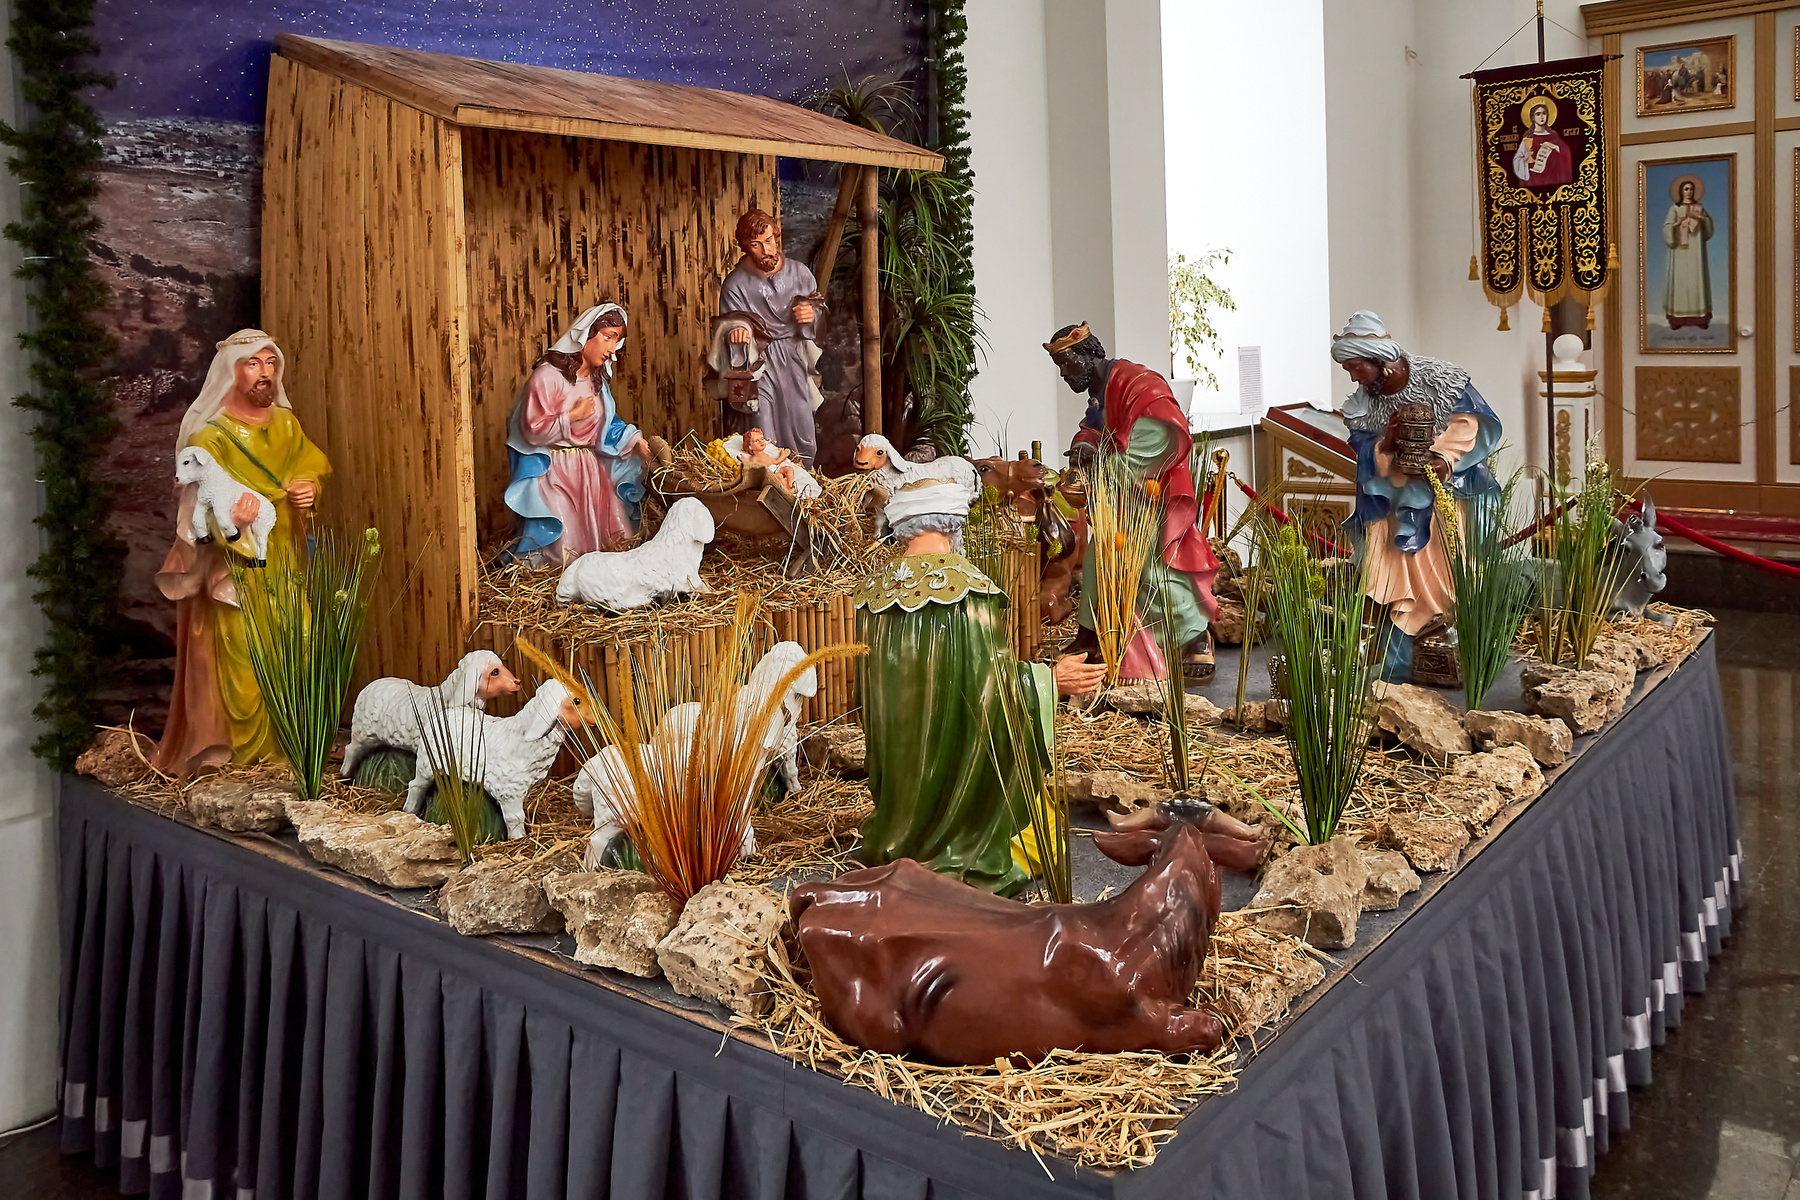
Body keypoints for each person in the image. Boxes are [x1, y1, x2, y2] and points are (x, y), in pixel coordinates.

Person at [855, 484, 1106, 894]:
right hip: (959, 784)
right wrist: (1048, 681)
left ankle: (905, 834)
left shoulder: (873, 594)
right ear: (952, 525)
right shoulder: (967, 592)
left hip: (901, 774)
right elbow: (989, 689)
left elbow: (870, 695)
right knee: (1040, 834)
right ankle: (956, 844)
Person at [153, 330, 332, 775]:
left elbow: (308, 462)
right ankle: (243, 759)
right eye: (253, 364)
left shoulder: (285, 424)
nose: (265, 373)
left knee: (297, 643)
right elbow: (193, 505)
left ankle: (287, 749)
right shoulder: (210, 436)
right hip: (233, 571)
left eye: (271, 363)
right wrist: (232, 517)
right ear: (231, 372)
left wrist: (308, 487)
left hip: (282, 561)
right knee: (243, 657)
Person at [1329, 311, 1502, 683]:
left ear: (1381, 362)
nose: (1354, 378)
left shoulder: (1441, 378)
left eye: (1357, 368)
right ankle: (1399, 661)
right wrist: (1389, 443)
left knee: (1448, 575)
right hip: (1391, 503)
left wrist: (1443, 459)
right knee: (1393, 577)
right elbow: (1364, 450)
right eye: (1348, 370)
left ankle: (1447, 643)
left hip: (1444, 500)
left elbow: (1469, 424)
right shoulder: (1362, 404)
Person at [1045, 322, 1220, 682]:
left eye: (1066, 364)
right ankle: (1091, 636)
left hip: (1154, 494)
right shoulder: (1100, 392)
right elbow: (1094, 428)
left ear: (1086, 355)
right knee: (1099, 558)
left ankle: (1194, 636)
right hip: (1124, 500)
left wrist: (1101, 470)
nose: (1064, 375)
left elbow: (1161, 437)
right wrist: (1083, 448)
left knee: (1152, 569)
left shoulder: (1139, 383)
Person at [503, 303, 654, 565]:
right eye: (608, 337)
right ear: (587, 334)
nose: (612, 349)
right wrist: (571, 416)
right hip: (554, 473)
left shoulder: (597, 383)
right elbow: (532, 430)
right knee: (564, 550)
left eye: (616, 341)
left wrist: (636, 442)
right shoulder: (548, 377)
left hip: (589, 471)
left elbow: (608, 425)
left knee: (618, 538)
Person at [719, 210, 824, 465]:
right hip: (759, 362)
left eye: (768, 240)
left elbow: (819, 312)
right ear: (745, 247)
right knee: (763, 428)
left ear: (777, 237)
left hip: (793, 356)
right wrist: (737, 333)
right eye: (756, 244)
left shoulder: (800, 274)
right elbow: (728, 325)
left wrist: (811, 316)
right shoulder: (735, 284)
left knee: (803, 429)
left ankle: (803, 476)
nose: (765, 250)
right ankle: (770, 479)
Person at [1661, 176, 1714, 330]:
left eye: (1691, 189)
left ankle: (1700, 318)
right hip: (1680, 251)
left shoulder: (1699, 208)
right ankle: (1678, 319)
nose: (1689, 191)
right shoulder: (1675, 208)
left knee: (1697, 280)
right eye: (1686, 189)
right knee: (1681, 280)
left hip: (1696, 251)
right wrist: (1677, 224)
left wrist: (1702, 219)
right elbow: (1667, 226)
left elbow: (1708, 228)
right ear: (1681, 191)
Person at [1510, 99, 1573, 190]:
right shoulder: (1528, 137)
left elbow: (1565, 152)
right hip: (1533, 179)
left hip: (1553, 178)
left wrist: (1555, 147)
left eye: (1544, 113)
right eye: (1538, 114)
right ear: (1533, 117)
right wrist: (1525, 158)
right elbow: (1518, 159)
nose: (1542, 117)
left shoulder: (1554, 135)